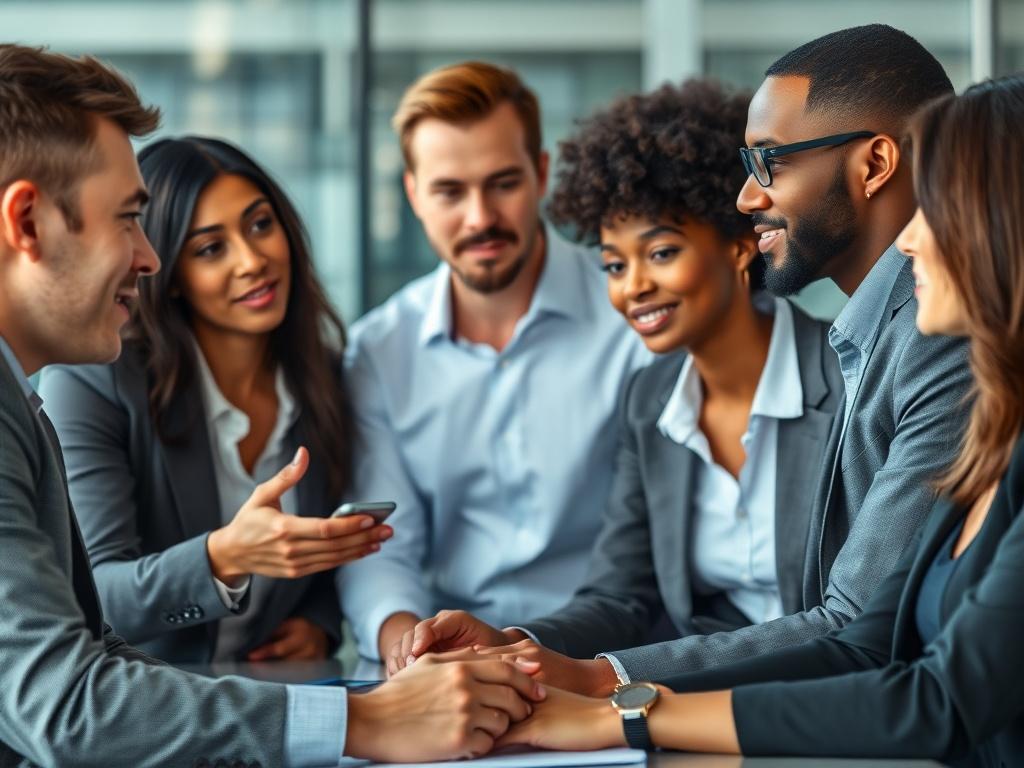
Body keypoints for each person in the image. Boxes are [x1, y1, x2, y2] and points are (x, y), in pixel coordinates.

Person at [0, 43, 544, 767]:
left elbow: (85, 649)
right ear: (27, 222)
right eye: (128, 218)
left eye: (259, 226)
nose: (148, 257)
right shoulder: (63, 390)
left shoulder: (325, 368)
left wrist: (331, 654)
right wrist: (366, 720)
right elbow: (68, 701)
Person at [397, 23, 973, 692]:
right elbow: (627, 596)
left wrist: (599, 682)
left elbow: (856, 625)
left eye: (770, 162)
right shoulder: (661, 394)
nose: (747, 197)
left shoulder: (912, 347)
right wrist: (519, 649)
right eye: (613, 263)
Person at [498, 72, 1024, 768]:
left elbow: (930, 698)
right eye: (613, 263)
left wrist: (622, 714)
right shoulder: (990, 434)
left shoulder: (897, 373)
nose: (907, 240)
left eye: (935, 206)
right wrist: (568, 673)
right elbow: (862, 640)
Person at [337, 60, 649, 667]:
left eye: (502, 183)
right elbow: (382, 552)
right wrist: (414, 655)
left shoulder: (632, 318)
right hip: (449, 661)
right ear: (413, 195)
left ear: (540, 174)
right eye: (450, 191)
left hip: (608, 656)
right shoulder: (379, 352)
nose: (479, 217)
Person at [39, 136, 390, 664]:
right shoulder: (94, 381)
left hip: (276, 699)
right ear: (166, 270)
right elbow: (95, 595)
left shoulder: (325, 372)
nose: (253, 260)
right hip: (149, 710)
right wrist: (223, 556)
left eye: (260, 225)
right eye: (210, 248)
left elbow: (320, 550)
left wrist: (317, 625)